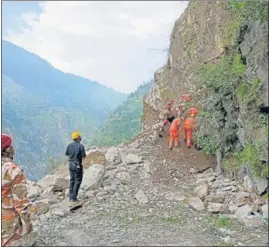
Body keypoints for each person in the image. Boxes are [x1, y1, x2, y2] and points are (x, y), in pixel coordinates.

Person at [1, 133, 33, 246]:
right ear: (7, 149)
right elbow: (20, 203)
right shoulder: (13, 170)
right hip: (7, 222)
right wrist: (28, 223)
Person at [65, 131, 86, 204]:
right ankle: (74, 198)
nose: (80, 137)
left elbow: (67, 154)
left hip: (70, 164)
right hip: (77, 164)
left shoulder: (69, 145)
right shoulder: (81, 146)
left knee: (72, 180)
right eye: (79, 136)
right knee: (78, 180)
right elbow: (83, 157)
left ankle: (70, 196)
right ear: (77, 137)